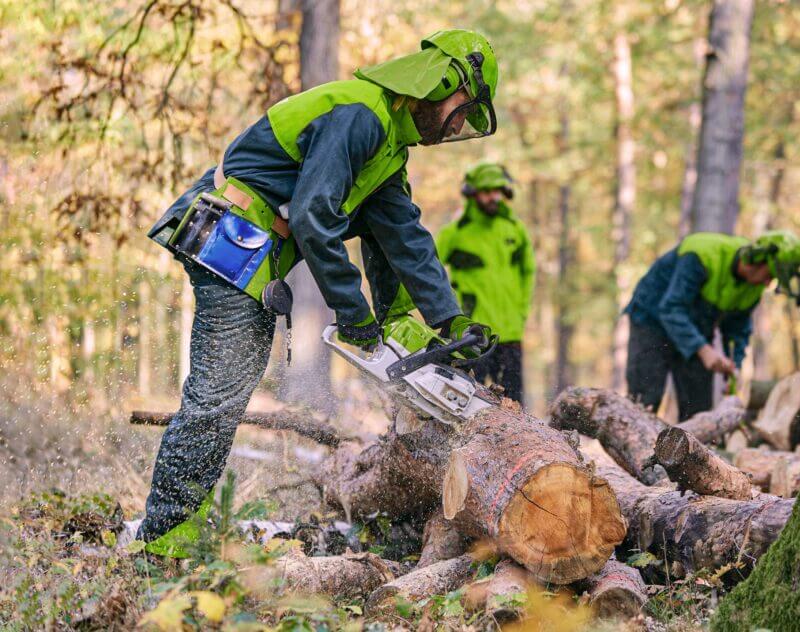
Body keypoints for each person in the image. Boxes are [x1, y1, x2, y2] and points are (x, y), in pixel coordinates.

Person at [138, 29, 500, 556]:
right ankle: (162, 535)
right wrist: (353, 313)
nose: (456, 127)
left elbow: (404, 238)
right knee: (218, 397)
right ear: (442, 82)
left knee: (225, 395)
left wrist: (449, 322)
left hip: (252, 251)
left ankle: (173, 527)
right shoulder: (360, 115)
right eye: (460, 111)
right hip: (229, 235)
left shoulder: (388, 150)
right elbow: (312, 215)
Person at [623, 230, 800, 421]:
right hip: (652, 320)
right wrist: (704, 350)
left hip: (695, 329)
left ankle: (689, 448)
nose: (768, 282)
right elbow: (671, 308)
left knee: (697, 408)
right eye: (770, 274)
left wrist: (733, 367)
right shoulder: (703, 255)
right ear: (757, 259)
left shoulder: (754, 288)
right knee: (645, 398)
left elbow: (737, 330)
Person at [436, 163, 535, 403]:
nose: (493, 197)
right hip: (473, 334)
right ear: (473, 192)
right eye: (486, 191)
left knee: (514, 403)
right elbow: (430, 268)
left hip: (510, 333)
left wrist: (521, 312)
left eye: (497, 191)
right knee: (470, 398)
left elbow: (528, 272)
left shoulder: (515, 230)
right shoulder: (456, 234)